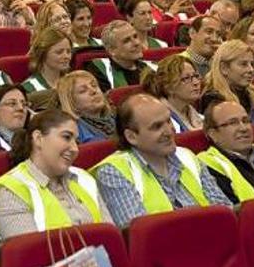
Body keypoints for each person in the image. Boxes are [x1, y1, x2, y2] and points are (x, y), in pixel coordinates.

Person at [92, 94, 230, 228]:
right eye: (157, 127)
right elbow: (141, 235)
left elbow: (225, 212)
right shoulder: (113, 172)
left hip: (214, 241)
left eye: (168, 121)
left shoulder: (188, 157)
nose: (169, 131)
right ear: (131, 136)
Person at [0, 109, 113, 239]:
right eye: (66, 137)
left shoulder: (84, 178)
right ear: (38, 138)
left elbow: (111, 235)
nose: (75, 149)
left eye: (76, 142)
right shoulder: (10, 193)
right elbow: (30, 255)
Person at [202, 40, 254, 124]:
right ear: (224, 68)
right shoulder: (213, 101)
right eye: (243, 64)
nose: (251, 70)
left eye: (252, 64)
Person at [85, 20, 153, 92]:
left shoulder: (151, 67)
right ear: (112, 50)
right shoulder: (100, 69)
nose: (136, 43)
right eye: (127, 40)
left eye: (135, 36)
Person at [142, 55, 203, 133]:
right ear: (168, 87)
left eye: (196, 76)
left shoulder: (198, 116)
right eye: (186, 78)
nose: (196, 82)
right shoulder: (160, 121)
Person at [57, 70, 115, 142]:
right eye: (83, 90)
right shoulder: (74, 132)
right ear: (71, 102)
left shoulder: (118, 116)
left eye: (94, 85)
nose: (93, 91)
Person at [22, 27, 72, 94]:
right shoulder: (29, 88)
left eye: (68, 52)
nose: (66, 56)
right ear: (43, 54)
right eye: (59, 52)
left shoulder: (73, 82)